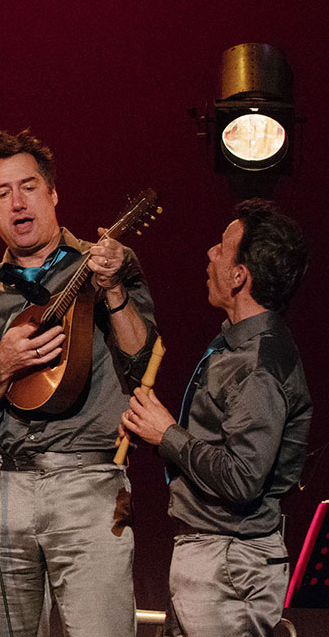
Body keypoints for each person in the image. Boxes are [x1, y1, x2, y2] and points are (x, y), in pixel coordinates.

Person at [0, 129, 157, 636]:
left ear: (54, 193)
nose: (18, 203)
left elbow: (143, 358)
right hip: (5, 489)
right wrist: (0, 367)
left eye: (29, 186)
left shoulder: (106, 262)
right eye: (2, 193)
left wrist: (112, 291)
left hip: (90, 484)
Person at [120, 199, 310, 637]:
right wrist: (155, 431)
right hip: (215, 554)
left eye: (222, 248)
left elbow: (243, 478)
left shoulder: (257, 364)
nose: (210, 253)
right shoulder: (238, 348)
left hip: (230, 561)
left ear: (240, 275)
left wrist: (168, 434)